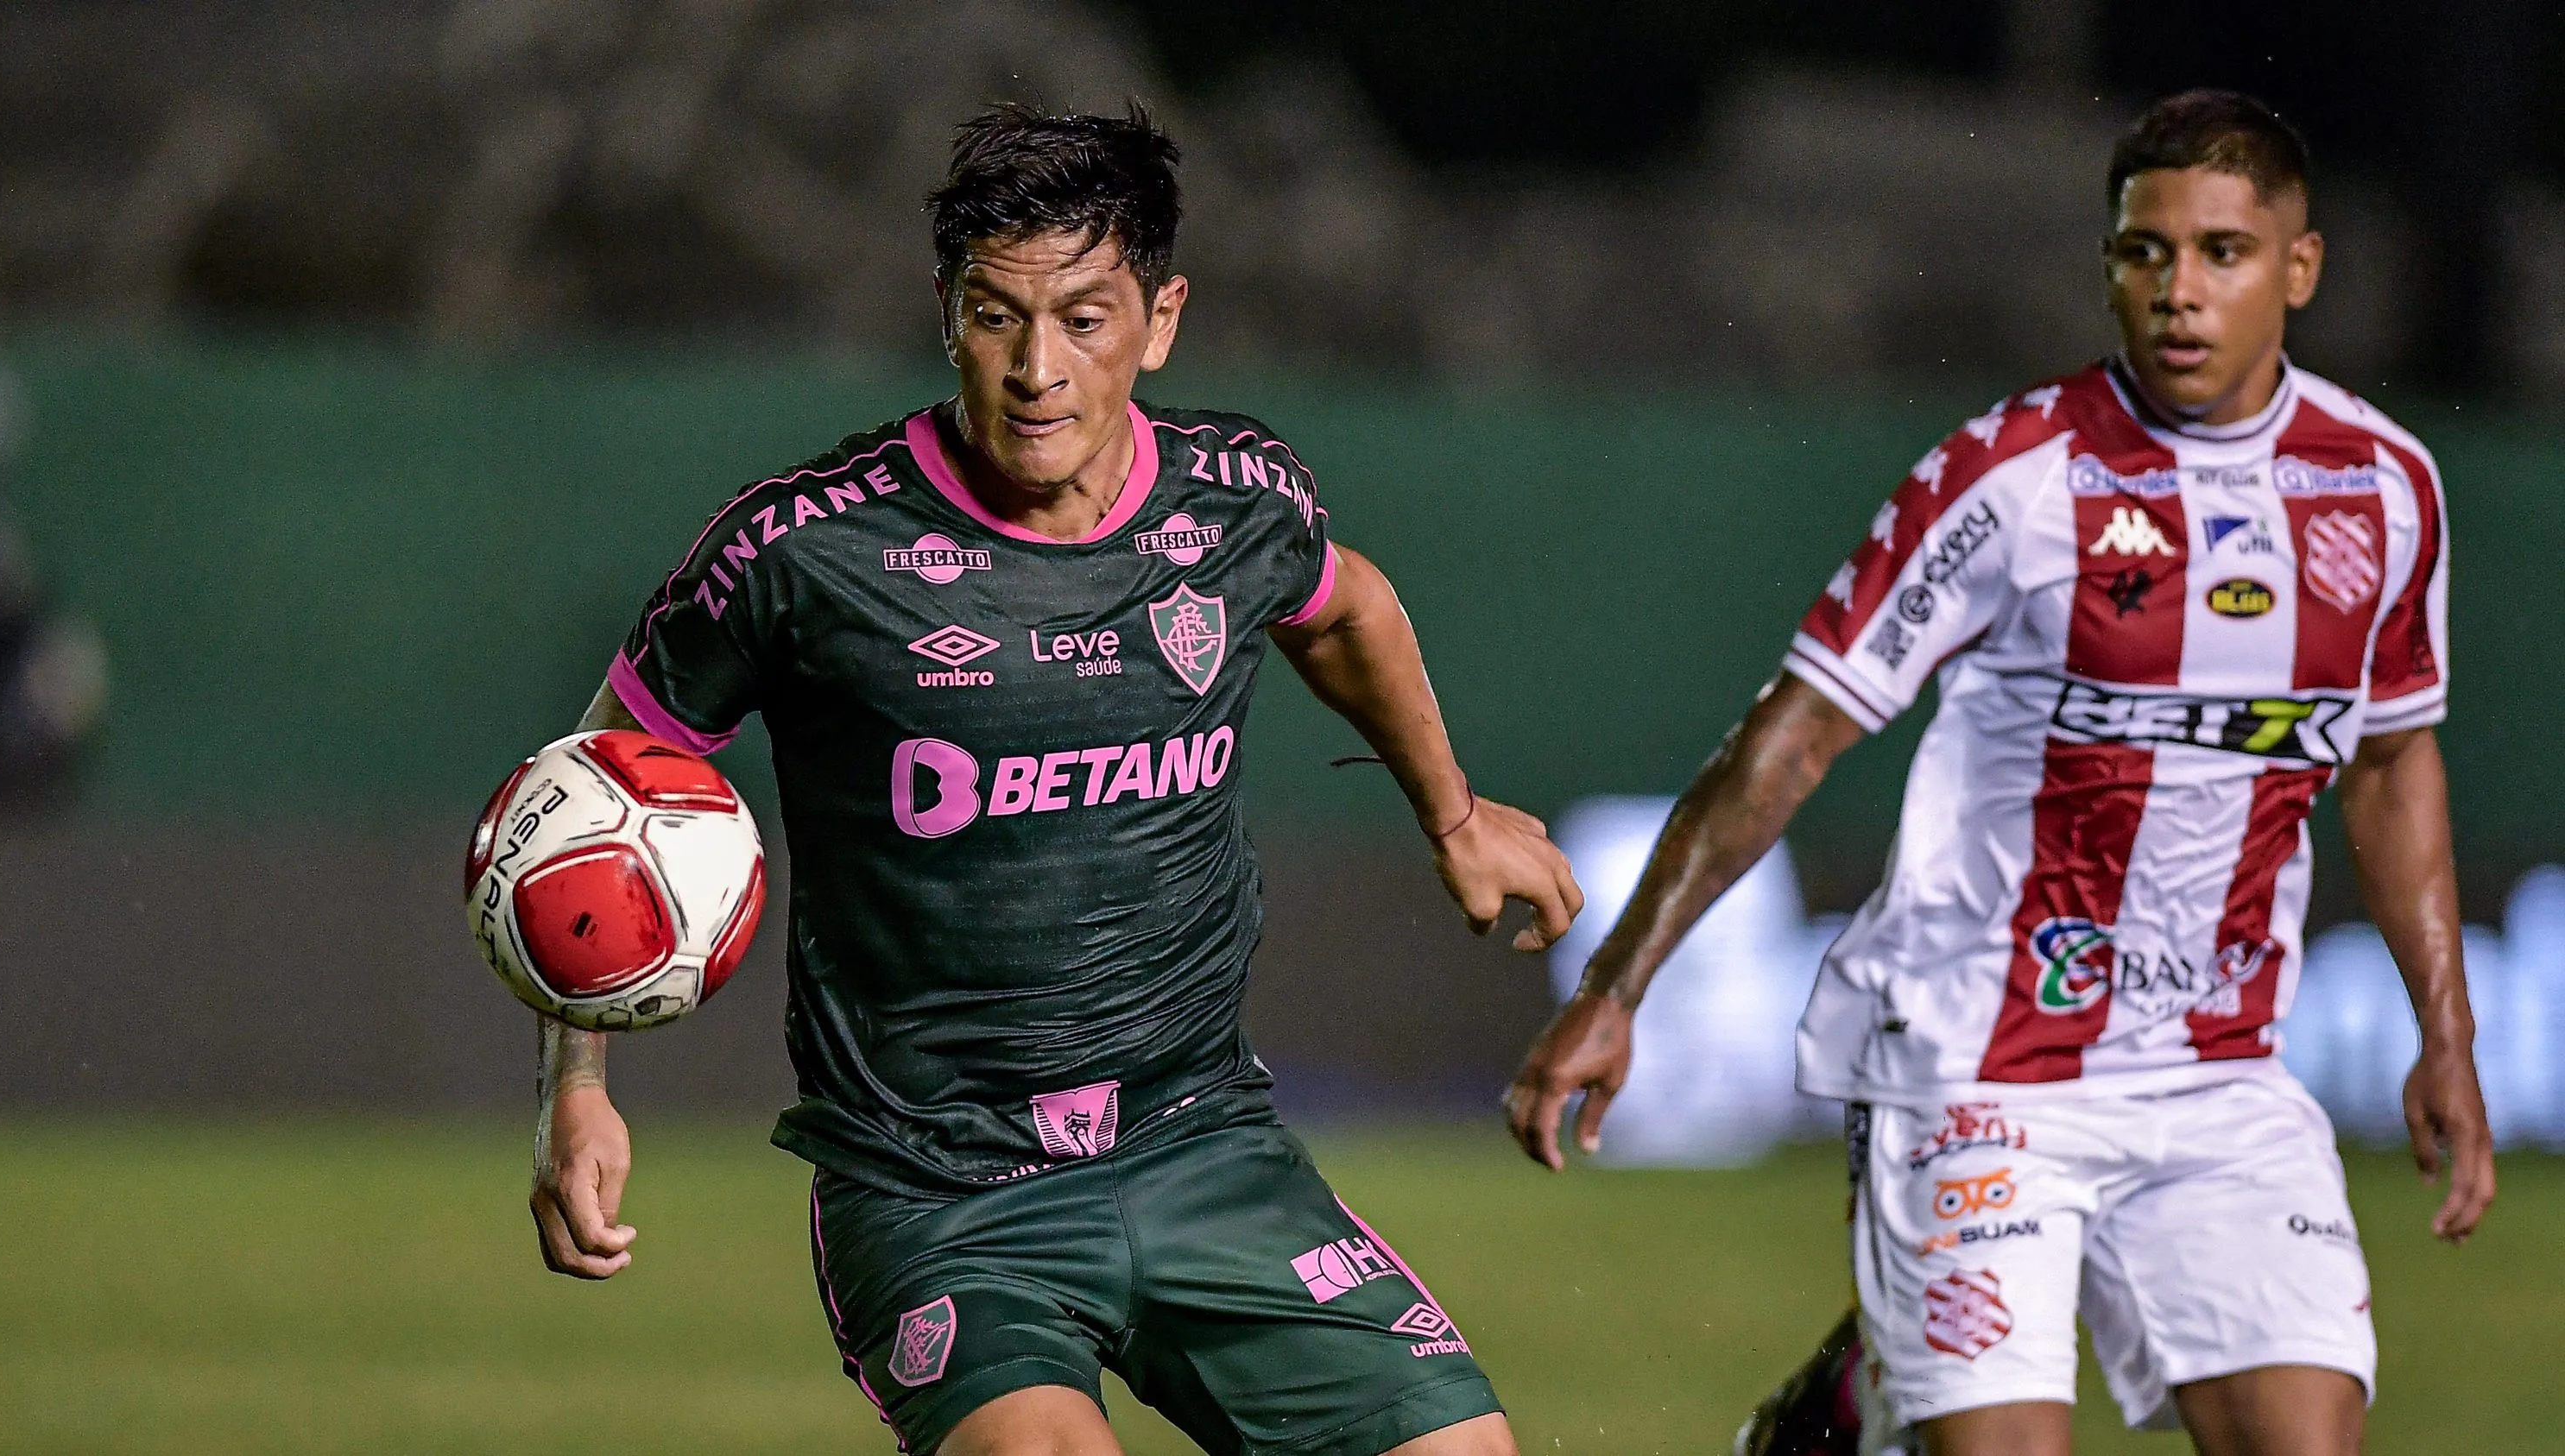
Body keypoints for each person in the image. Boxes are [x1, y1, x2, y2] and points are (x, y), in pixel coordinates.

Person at [527, 104, 1581, 1456]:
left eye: (1085, 321)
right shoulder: (801, 550)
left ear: (1162, 319)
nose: (1037, 370)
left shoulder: (1237, 501)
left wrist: (1453, 811)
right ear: (946, 312)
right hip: (940, 1197)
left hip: (1204, 1148)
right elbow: (595, 799)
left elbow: (1344, 607)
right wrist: (576, 1083)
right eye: (996, 318)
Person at [1502, 90, 2493, 1456]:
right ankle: (1859, 1412)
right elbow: (1796, 732)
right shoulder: (2015, 474)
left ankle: (1853, 1405)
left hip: (2218, 1070)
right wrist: (1616, 988)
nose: (2179, 291)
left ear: (2300, 268)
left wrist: (2446, 1032)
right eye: (2145, 253)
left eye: (2223, 252)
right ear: (2110, 267)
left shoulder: (2384, 487)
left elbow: (2389, 761)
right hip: (1977, 1058)